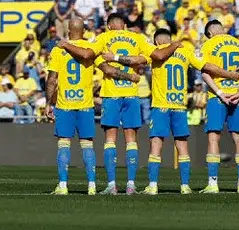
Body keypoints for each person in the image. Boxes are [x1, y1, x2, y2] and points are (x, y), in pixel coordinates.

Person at [89, 11, 151, 194]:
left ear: (109, 26)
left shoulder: (103, 38)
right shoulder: (136, 38)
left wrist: (112, 58)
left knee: (110, 140)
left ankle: (112, 185)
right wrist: (133, 73)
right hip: (132, 95)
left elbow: (100, 62)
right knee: (131, 140)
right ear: (124, 25)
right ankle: (131, 184)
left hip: (111, 94)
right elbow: (147, 58)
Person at [143, 29, 205, 195]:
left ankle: (153, 185)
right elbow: (203, 65)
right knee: (182, 147)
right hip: (179, 106)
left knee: (156, 145)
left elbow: (139, 60)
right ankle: (185, 186)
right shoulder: (185, 52)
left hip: (161, 106)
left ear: (156, 42)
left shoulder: (154, 53)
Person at [44, 18, 98, 195]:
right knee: (87, 144)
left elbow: (52, 79)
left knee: (63, 143)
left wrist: (48, 104)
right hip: (85, 105)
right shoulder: (90, 48)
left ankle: (63, 185)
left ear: (68, 30)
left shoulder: (59, 50)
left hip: (65, 104)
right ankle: (91, 186)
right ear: (83, 31)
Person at [199, 18, 239, 194]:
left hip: (217, 97)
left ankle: (213, 184)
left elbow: (206, 73)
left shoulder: (209, 45)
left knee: (214, 138)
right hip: (237, 97)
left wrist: (220, 93)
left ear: (210, 33)